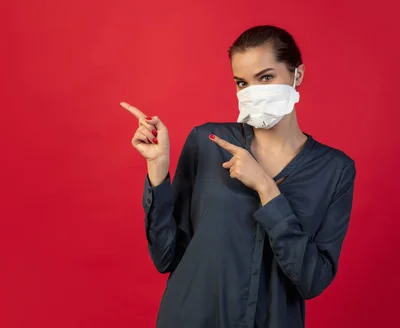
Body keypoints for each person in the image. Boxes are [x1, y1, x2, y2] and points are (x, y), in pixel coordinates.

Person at [121, 25, 356, 328]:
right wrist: (158, 169)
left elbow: (312, 281)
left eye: (266, 77)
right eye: (242, 82)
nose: (253, 92)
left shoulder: (334, 170)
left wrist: (266, 189)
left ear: (297, 75)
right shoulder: (207, 142)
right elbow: (165, 256)